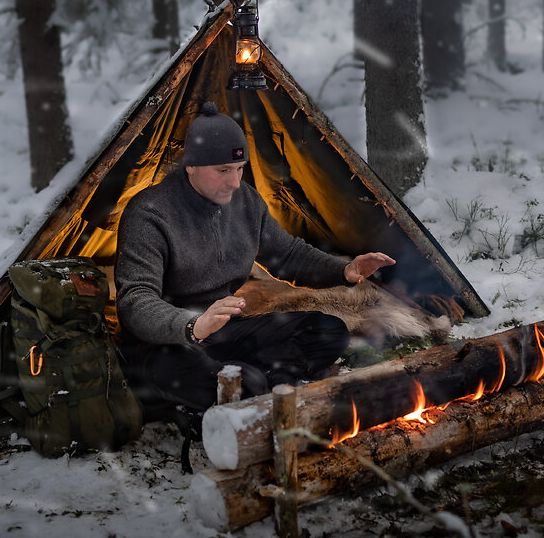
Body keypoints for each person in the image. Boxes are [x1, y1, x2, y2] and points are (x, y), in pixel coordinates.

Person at [114, 101, 395, 415]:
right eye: (223, 171)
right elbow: (135, 301)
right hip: (165, 344)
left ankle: (261, 380)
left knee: (329, 331)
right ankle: (255, 383)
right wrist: (193, 325)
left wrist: (345, 269)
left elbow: (288, 254)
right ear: (191, 166)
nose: (234, 182)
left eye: (239, 169)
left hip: (223, 331)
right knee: (240, 383)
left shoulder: (245, 201)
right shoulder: (149, 214)